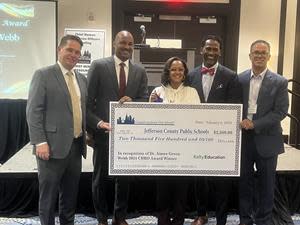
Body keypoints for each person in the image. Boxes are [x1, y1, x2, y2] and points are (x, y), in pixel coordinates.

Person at [87, 30, 148, 225]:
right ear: (115, 43)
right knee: (100, 179)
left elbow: (144, 99)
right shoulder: (98, 66)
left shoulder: (140, 70)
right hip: (103, 133)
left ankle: (119, 217)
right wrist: (95, 125)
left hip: (129, 136)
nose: (127, 47)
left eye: (130, 44)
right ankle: (102, 218)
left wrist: (134, 102)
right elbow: (87, 103)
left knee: (124, 180)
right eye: (123, 43)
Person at [26, 35, 87, 225]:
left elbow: (82, 110)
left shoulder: (82, 79)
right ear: (59, 50)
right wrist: (40, 142)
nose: (74, 55)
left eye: (77, 52)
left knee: (69, 197)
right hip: (50, 148)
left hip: (76, 146)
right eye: (70, 50)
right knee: (48, 198)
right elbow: (33, 111)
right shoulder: (43, 74)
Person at [188, 35, 241, 225]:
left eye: (215, 49)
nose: (211, 52)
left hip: (220, 139)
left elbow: (234, 107)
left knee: (221, 182)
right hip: (197, 137)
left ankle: (221, 219)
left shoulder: (231, 76)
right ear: (201, 49)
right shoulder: (191, 75)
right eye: (208, 48)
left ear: (220, 51)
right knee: (199, 179)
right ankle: (201, 215)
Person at [238, 40, 288, 225]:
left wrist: (255, 124)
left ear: (269, 56)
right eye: (255, 52)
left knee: (267, 184)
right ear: (250, 56)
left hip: (268, 139)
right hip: (243, 138)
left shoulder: (280, 82)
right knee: (244, 182)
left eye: (263, 52)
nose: (259, 55)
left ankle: (264, 220)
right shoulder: (240, 79)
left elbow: (280, 111)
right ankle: (244, 219)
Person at [150, 57, 200, 225]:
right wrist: (151, 105)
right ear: (168, 72)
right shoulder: (158, 92)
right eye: (173, 69)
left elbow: (197, 119)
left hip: (185, 149)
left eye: (180, 70)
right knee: (162, 190)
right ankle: (162, 221)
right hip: (162, 149)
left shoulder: (192, 92)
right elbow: (152, 119)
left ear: (185, 73)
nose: (177, 72)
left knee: (181, 190)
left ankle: (179, 221)